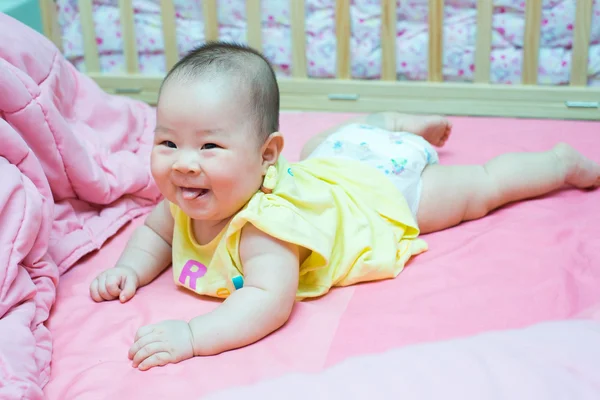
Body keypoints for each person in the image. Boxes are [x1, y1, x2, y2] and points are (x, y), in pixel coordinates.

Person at [89, 42, 600, 371]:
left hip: (379, 190)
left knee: (480, 189)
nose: (184, 164)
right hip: (334, 158)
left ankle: (557, 163)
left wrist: (194, 336)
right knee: (324, 149)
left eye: (209, 147)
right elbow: (155, 234)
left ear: (267, 155)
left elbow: (268, 301)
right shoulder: (186, 198)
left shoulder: (264, 229)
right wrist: (128, 270)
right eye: (168, 143)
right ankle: (387, 124)